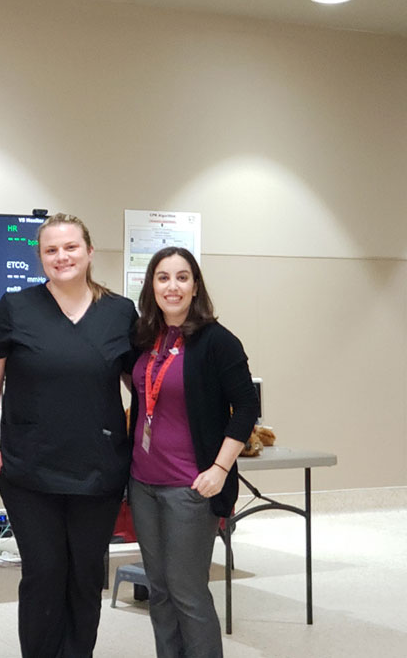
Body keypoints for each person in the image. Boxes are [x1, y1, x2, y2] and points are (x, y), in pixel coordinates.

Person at [0, 213, 137, 657]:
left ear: (89, 252)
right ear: (40, 257)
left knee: (85, 575)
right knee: (44, 573)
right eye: (51, 250)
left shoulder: (120, 313)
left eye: (70, 247)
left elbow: (141, 384)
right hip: (29, 471)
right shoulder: (14, 309)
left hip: (98, 471)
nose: (61, 256)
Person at [128, 247, 258, 658]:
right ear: (152, 285)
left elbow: (247, 409)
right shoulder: (144, 338)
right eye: (163, 277)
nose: (173, 286)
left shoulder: (217, 341)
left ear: (195, 285)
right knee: (159, 589)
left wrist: (220, 468)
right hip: (143, 482)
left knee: (186, 590)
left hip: (190, 486)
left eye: (182, 277)